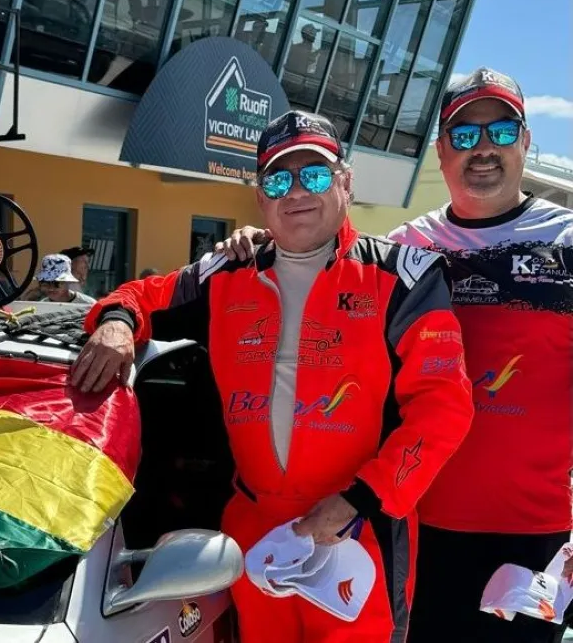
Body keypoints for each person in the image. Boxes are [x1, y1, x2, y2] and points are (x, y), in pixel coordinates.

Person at [71, 110, 474, 643]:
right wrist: (117, 323)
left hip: (360, 527)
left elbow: (444, 408)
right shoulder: (225, 274)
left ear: (346, 182)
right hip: (255, 530)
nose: (297, 191)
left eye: (315, 174)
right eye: (279, 179)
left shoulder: (404, 278)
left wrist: (359, 502)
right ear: (261, 198)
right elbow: (140, 296)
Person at [216, 69, 573, 642]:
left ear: (526, 142)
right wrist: (264, 243)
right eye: (464, 135)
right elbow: (322, 244)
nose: (483, 148)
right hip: (404, 522)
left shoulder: (566, 241)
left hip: (529, 532)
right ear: (442, 151)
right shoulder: (407, 247)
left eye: (502, 132)